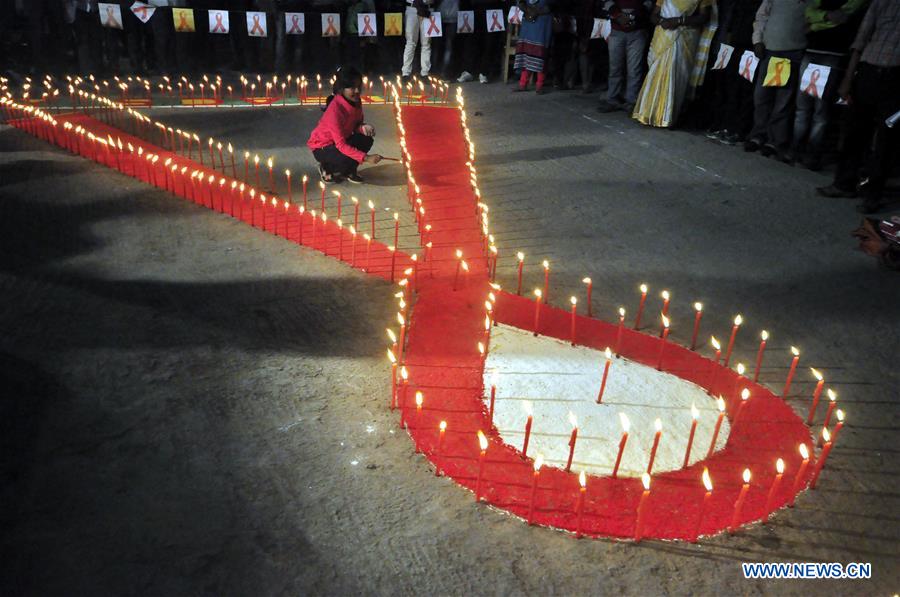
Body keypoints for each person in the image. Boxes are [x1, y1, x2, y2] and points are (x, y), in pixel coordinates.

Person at [816, 0, 899, 213]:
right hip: (868, 71)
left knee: (885, 140)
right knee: (854, 131)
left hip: (896, 80)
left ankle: (873, 194)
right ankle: (844, 183)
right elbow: (860, 40)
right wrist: (847, 80)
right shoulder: (883, 3)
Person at [787, 0, 867, 169]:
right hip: (811, 52)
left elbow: (843, 18)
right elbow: (808, 13)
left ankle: (812, 156)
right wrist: (825, 18)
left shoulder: (854, 2)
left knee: (820, 112)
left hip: (833, 55)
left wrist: (815, 24)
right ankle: (795, 151)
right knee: (802, 108)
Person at [632, 0, 716, 127]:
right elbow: (654, 15)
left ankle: (667, 116)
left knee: (675, 75)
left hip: (683, 37)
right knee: (655, 73)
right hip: (663, 35)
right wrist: (662, 21)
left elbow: (704, 17)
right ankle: (648, 113)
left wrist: (679, 21)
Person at [743, 0, 808, 160]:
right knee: (761, 97)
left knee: (783, 101)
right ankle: (758, 135)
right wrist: (757, 40)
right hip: (770, 50)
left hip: (794, 53)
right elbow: (761, 16)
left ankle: (775, 141)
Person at [307, 67, 383, 184]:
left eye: (359, 87)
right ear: (342, 89)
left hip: (341, 140)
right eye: (352, 87)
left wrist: (362, 127)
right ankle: (327, 167)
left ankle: (349, 170)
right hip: (323, 147)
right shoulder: (335, 109)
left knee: (366, 139)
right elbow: (341, 145)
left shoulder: (356, 101)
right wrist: (366, 158)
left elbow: (355, 125)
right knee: (344, 158)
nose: (357, 91)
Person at [598, 0, 654, 111]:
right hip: (617, 31)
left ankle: (631, 101)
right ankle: (613, 99)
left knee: (634, 69)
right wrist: (619, 16)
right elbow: (606, 1)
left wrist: (632, 16)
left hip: (637, 31)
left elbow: (649, 3)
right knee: (615, 68)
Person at [513, 0, 554, 93]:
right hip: (529, 19)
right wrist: (528, 9)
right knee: (527, 51)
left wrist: (537, 11)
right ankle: (523, 83)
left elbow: (553, 5)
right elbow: (520, 2)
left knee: (541, 53)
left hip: (543, 20)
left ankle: (539, 85)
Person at [402, 0, 435, 79]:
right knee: (410, 42)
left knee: (426, 43)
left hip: (428, 8)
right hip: (412, 8)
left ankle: (425, 73)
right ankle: (406, 73)